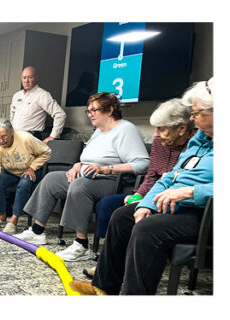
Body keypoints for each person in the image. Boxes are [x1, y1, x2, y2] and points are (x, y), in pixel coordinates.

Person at [70, 80, 213, 295]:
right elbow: (167, 177)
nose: (192, 118)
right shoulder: (199, 140)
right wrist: (145, 203)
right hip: (173, 203)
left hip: (202, 212)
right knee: (122, 216)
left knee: (147, 229)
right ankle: (104, 286)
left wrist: (191, 191)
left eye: (196, 113)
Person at [17, 92, 150, 262]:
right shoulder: (99, 131)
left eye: (94, 110)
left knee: (80, 186)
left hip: (113, 180)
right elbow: (89, 157)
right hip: (87, 175)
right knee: (52, 180)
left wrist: (106, 169)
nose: (90, 114)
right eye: (88, 111)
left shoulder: (126, 129)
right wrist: (78, 165)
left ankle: (81, 245)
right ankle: (37, 231)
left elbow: (142, 163)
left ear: (109, 110)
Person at [90, 98, 195, 271]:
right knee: (110, 205)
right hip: (154, 192)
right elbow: (152, 175)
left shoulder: (194, 146)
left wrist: (147, 201)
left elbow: (181, 181)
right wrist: (139, 194)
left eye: (161, 128)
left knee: (131, 216)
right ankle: (108, 264)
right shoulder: (160, 142)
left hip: (175, 199)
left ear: (182, 129)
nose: (156, 134)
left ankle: (130, 263)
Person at [0, 119, 51, 234]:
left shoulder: (25, 138)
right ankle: (1, 216)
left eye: (4, 137)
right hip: (11, 172)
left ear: (12, 133)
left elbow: (46, 152)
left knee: (23, 185)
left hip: (30, 171)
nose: (1, 141)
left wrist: (33, 167)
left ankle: (14, 221)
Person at [10, 66, 67, 143]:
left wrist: (53, 136)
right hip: (15, 137)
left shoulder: (42, 95)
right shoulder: (17, 95)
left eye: (30, 77)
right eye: (24, 78)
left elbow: (60, 114)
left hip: (31, 138)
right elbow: (12, 116)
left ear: (36, 78)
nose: (26, 81)